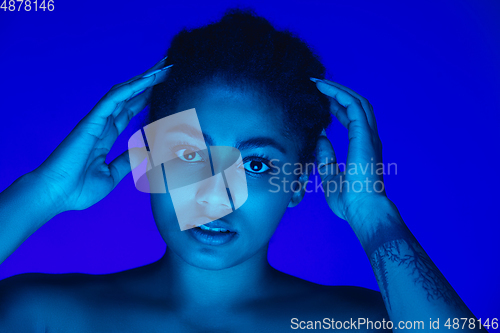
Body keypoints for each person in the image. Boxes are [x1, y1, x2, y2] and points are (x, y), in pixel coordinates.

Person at [0, 9, 486, 332]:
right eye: (189, 155)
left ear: (297, 183)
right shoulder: (40, 315)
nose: (214, 195)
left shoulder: (360, 323)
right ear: (148, 161)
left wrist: (373, 215)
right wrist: (43, 193)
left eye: (256, 163)